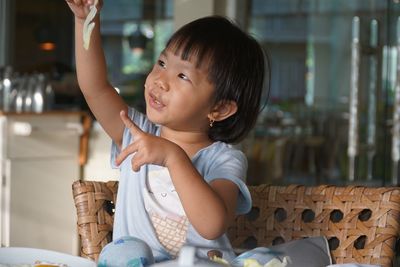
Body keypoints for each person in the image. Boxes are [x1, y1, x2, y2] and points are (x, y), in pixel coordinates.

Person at [66, 0, 267, 264]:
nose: (160, 80)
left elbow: (212, 225)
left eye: (182, 76)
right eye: (162, 62)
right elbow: (95, 88)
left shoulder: (224, 159)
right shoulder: (135, 131)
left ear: (219, 108)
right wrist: (85, 21)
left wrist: (174, 157)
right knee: (121, 252)